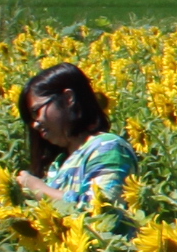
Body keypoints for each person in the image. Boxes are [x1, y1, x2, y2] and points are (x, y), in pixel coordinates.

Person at [16, 61, 138, 221]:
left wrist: (38, 189)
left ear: (68, 98)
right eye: (31, 118)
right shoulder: (59, 164)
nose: (35, 124)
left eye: (36, 112)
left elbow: (102, 212)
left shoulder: (107, 147)